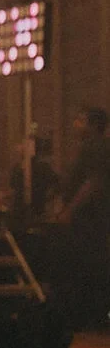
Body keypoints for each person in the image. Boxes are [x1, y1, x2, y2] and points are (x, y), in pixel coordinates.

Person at [59, 107, 110, 324]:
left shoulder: (95, 147)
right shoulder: (93, 147)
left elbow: (93, 182)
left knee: (87, 266)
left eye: (81, 120)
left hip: (89, 220)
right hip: (91, 218)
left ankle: (89, 317)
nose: (76, 124)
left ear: (93, 125)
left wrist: (70, 209)